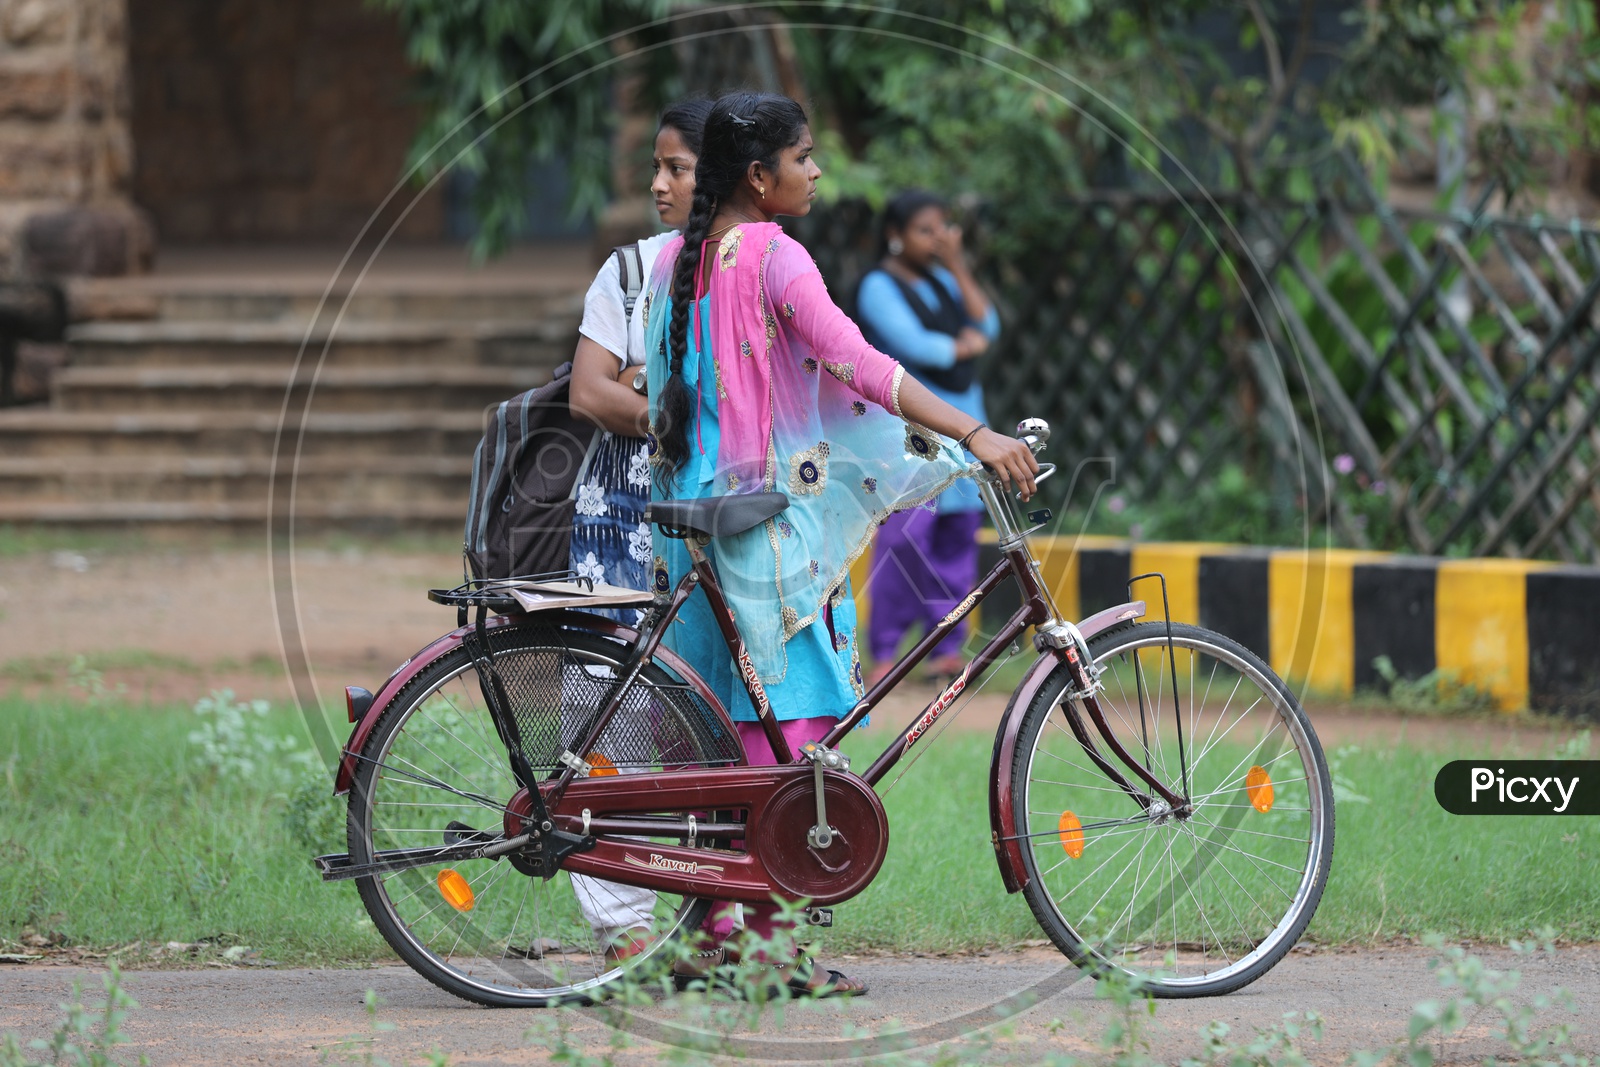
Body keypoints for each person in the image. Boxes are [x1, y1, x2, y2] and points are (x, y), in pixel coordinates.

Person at [641, 91, 1038, 996]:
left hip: (689, 519)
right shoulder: (775, 255)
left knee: (711, 732)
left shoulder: (676, 260)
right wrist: (971, 431)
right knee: (785, 735)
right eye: (804, 157)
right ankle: (774, 949)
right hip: (763, 525)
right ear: (760, 176)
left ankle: (712, 931)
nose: (817, 171)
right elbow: (858, 362)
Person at [563, 97, 713, 966]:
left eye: (677, 168)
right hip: (617, 520)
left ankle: (709, 920)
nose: (658, 184)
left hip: (712, 521)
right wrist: (670, 411)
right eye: (657, 167)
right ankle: (622, 928)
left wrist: (642, 381)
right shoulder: (627, 272)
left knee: (702, 717)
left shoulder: (753, 270)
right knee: (607, 708)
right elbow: (591, 391)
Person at [854, 191, 999, 684]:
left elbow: (988, 323)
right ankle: (886, 652)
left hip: (967, 422)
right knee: (905, 538)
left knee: (957, 535)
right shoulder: (878, 285)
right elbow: (917, 347)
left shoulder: (943, 278)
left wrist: (958, 265)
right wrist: (963, 345)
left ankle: (946, 648)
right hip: (910, 430)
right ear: (895, 236)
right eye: (924, 230)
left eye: (942, 228)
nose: (936, 238)